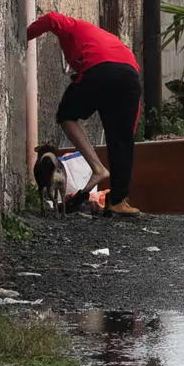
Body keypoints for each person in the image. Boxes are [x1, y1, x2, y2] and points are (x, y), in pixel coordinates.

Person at [26, 12, 142, 217]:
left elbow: (52, 18)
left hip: (99, 70)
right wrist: (127, 133)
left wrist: (24, 36)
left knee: (66, 115)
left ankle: (98, 168)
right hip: (130, 76)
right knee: (121, 140)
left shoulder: (73, 26)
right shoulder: (111, 41)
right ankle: (117, 201)